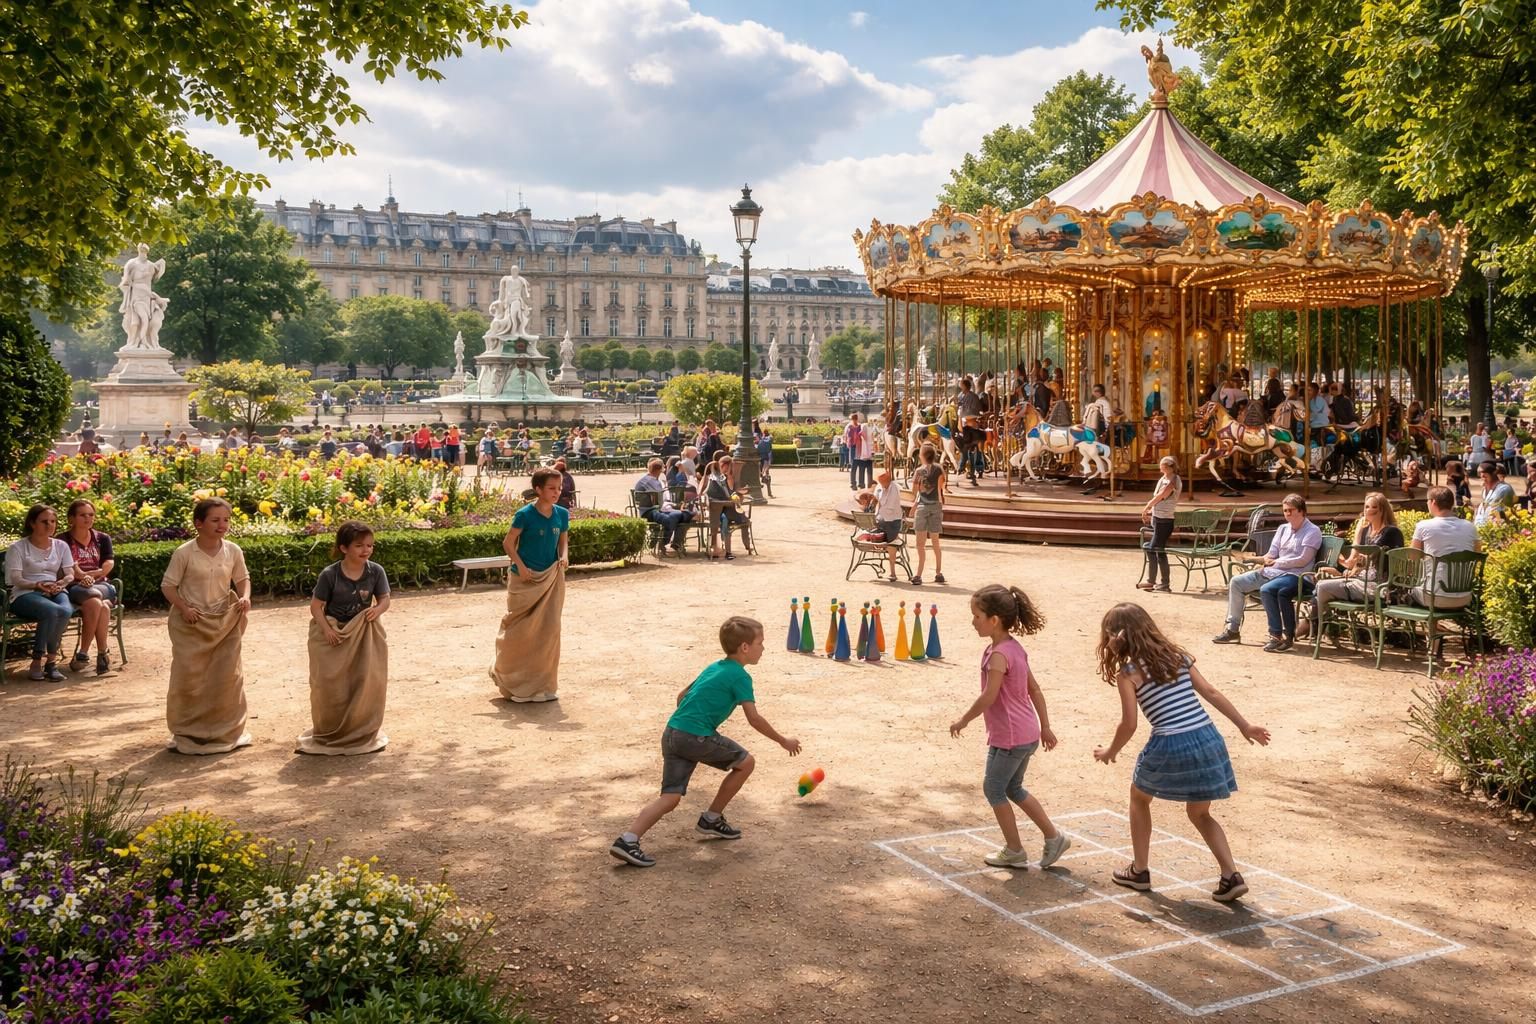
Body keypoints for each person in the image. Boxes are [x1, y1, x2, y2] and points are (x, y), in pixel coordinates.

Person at [1092, 603, 1271, 901]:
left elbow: (1129, 723)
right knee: (1200, 813)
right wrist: (1244, 725)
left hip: (1170, 740)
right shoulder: (1178, 656)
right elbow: (1211, 692)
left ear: (1117, 636)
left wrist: (1112, 749)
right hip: (1206, 736)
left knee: (1139, 797)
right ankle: (1231, 875)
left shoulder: (1129, 673)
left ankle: (1139, 870)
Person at [609, 616, 801, 867]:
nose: (763, 648)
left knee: (670, 797)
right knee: (746, 762)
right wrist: (782, 740)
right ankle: (711, 818)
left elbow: (681, 696)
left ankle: (628, 839)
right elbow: (754, 718)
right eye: (760, 643)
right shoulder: (740, 677)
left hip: (673, 732)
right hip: (694, 735)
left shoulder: (714, 667)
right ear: (745, 647)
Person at [948, 585, 1070, 869]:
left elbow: (989, 696)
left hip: (1011, 737)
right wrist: (1045, 727)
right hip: (1024, 734)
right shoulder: (1014, 648)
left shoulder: (999, 655)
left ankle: (1015, 849)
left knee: (993, 788)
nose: (973, 621)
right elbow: (1035, 690)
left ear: (994, 620)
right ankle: (1054, 838)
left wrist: (963, 719)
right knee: (1013, 788)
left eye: (977, 616)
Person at [160, 498, 253, 754]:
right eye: (215, 520)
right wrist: (184, 608)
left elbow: (243, 578)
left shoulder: (233, 550)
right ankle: (187, 730)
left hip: (225, 621)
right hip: (191, 623)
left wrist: (244, 596)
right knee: (189, 678)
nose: (222, 525)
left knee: (227, 676)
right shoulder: (184, 553)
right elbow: (168, 586)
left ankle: (227, 729)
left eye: (226, 519)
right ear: (198, 523)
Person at [300, 521, 391, 755]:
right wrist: (328, 630)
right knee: (329, 685)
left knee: (365, 679)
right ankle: (331, 728)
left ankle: (360, 728)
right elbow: (316, 606)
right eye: (359, 545)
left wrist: (377, 610)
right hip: (333, 632)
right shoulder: (330, 574)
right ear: (343, 548)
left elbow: (385, 600)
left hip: (363, 632)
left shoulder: (376, 571)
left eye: (370, 545)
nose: (366, 550)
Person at [489, 468, 570, 702]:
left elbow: (563, 542)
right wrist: (521, 566)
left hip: (551, 577)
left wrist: (563, 556)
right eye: (551, 488)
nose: (557, 492)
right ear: (538, 489)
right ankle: (513, 683)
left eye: (559, 487)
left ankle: (543, 686)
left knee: (549, 630)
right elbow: (508, 543)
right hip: (524, 580)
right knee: (519, 632)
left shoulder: (562, 514)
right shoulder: (524, 514)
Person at [1212, 493, 1321, 652]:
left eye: (1291, 510)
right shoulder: (1283, 529)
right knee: (1236, 582)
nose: (1287, 514)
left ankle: (1276, 635)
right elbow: (1272, 553)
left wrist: (1277, 562)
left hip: (1295, 575)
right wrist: (1259, 560)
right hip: (1272, 572)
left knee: (1268, 589)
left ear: (1301, 511)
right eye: (1285, 511)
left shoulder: (1312, 531)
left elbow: (1303, 560)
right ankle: (1232, 629)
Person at [1296, 492, 1402, 640]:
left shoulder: (1391, 532)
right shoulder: (1368, 531)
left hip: (1379, 587)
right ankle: (1315, 626)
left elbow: (1365, 560)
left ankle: (1312, 626)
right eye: (1366, 507)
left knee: (1322, 588)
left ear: (1382, 510)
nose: (1368, 511)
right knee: (1322, 586)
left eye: (1373, 507)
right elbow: (1353, 563)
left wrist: (1344, 571)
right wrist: (1342, 566)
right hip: (1362, 582)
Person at [4, 505, 76, 681]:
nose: (50, 525)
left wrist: (61, 583)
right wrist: (37, 585)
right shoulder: (18, 548)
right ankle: (37, 660)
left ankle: (51, 663)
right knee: (51, 611)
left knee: (66, 610)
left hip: (54, 589)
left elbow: (70, 574)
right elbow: (13, 579)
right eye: (44, 522)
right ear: (32, 523)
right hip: (25, 593)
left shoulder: (61, 546)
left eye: (52, 521)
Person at [61, 499, 117, 676]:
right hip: (74, 585)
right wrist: (82, 577)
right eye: (82, 515)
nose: (88, 518)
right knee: (102, 605)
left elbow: (108, 562)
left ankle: (83, 654)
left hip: (102, 585)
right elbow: (69, 566)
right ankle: (102, 654)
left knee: (94, 598)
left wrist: (94, 575)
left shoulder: (102, 538)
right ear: (72, 518)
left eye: (91, 515)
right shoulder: (62, 540)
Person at [1410, 485, 1480, 609]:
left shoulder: (1423, 526)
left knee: (1406, 591)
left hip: (1432, 597)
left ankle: (1427, 625)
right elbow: (1477, 554)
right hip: (1465, 597)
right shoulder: (1470, 527)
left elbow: (1412, 558)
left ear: (1433, 502)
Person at [1137, 456, 1181, 593]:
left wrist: (1146, 507)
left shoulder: (1173, 480)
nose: (1160, 467)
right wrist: (1150, 511)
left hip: (1165, 520)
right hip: (1158, 518)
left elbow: (1161, 495)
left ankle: (1157, 582)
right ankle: (1160, 582)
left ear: (1169, 467)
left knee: (1153, 548)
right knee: (1156, 549)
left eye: (1162, 465)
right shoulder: (1163, 478)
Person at [910, 442, 946, 585]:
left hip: (923, 506)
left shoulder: (919, 471)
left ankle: (918, 574)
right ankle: (938, 572)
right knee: (936, 542)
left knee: (920, 544)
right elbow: (942, 488)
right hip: (936, 506)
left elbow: (914, 491)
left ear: (922, 456)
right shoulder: (939, 469)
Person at [705, 454, 752, 559]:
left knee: (742, 519)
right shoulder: (716, 479)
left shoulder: (726, 478)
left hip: (726, 509)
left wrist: (739, 493)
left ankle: (746, 545)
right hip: (720, 510)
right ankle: (728, 551)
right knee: (730, 520)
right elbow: (720, 495)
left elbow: (731, 493)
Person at [635, 458, 687, 553]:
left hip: (653, 510)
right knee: (670, 519)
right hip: (649, 511)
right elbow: (658, 501)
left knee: (682, 516)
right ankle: (662, 542)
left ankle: (675, 543)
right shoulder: (652, 481)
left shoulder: (648, 479)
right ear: (660, 470)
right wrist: (673, 505)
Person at [870, 468, 905, 579]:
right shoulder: (879, 487)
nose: (881, 484)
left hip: (893, 520)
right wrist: (871, 503)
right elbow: (875, 498)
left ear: (889, 479)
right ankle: (880, 565)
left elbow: (895, 506)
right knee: (872, 535)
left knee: (891, 544)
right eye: (879, 482)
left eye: (883, 482)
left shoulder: (896, 488)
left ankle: (893, 572)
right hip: (880, 519)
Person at [1473, 461, 1516, 526]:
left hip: (1497, 529)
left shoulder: (1504, 489)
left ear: (1493, 473)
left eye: (1485, 476)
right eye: (1480, 475)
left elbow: (1501, 513)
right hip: (1483, 527)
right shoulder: (1484, 490)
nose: (1482, 477)